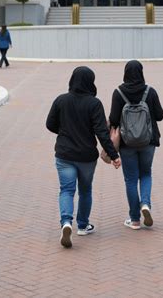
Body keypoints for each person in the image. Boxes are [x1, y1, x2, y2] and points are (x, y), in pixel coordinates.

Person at [46, 66, 121, 248]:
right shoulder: (94, 104)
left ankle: (66, 222)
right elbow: (102, 133)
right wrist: (114, 155)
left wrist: (64, 131)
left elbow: (50, 124)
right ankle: (82, 225)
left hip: (64, 154)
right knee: (85, 190)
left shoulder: (61, 100)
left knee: (66, 190)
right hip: (86, 156)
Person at [109, 60, 163, 230]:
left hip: (127, 143)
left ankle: (134, 220)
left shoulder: (118, 93)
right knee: (146, 173)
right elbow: (160, 115)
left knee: (130, 179)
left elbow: (113, 119)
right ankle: (145, 204)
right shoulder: (150, 91)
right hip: (148, 141)